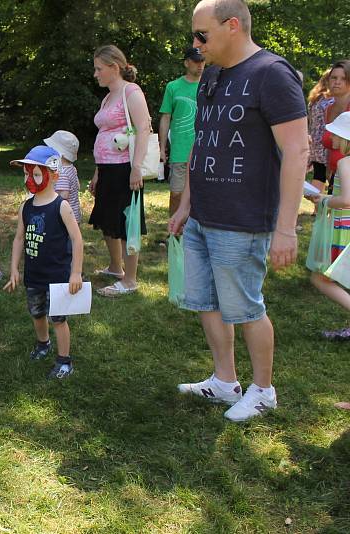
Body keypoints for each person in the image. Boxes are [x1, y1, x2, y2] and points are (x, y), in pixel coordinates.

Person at [169, 0, 309, 422]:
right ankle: (224, 381)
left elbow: (297, 150)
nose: (195, 45)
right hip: (203, 214)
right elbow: (201, 141)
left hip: (243, 217)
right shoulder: (212, 74)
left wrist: (286, 228)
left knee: (246, 307)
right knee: (207, 302)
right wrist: (186, 204)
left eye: (202, 35)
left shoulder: (273, 74)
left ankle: (263, 390)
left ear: (233, 26)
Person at [4, 146, 84, 380]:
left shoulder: (62, 206)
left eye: (36, 174)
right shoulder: (25, 207)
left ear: (53, 175)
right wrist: (14, 269)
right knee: (37, 313)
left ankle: (64, 361)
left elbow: (77, 240)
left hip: (58, 275)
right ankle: (43, 343)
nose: (30, 179)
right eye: (27, 174)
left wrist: (75, 273)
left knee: (58, 319)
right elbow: (19, 238)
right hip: (34, 274)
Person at [88, 44, 151, 296]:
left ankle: (130, 280)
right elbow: (104, 133)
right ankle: (116, 267)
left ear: (114, 68)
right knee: (107, 220)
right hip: (106, 169)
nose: (95, 74)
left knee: (126, 224)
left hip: (124, 169)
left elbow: (144, 128)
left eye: (99, 69)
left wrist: (136, 167)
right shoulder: (107, 96)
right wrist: (96, 172)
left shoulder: (131, 92)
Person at [308, 112, 350, 344]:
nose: (330, 138)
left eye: (335, 134)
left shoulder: (345, 162)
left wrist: (323, 200)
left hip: (343, 227)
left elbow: (346, 199)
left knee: (320, 278)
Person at [159, 47, 205, 216]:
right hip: (180, 150)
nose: (200, 65)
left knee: (201, 197)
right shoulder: (173, 87)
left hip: (204, 151)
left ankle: (194, 237)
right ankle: (174, 236)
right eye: (196, 62)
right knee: (176, 194)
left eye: (203, 61)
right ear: (186, 63)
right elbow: (165, 117)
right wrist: (162, 148)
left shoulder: (209, 85)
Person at [321, 60, 350, 189]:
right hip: (335, 177)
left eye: (343, 78)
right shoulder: (328, 109)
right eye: (334, 77)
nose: (337, 82)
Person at [44, 130, 82, 223]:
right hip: (73, 215)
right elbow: (78, 186)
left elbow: (63, 195)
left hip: (64, 219)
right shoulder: (71, 168)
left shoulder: (62, 173)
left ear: (59, 153)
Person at [307, 68, 335, 194]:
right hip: (327, 142)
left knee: (319, 175)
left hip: (315, 143)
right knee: (333, 176)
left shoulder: (315, 100)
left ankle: (317, 209)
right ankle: (329, 209)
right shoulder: (331, 101)